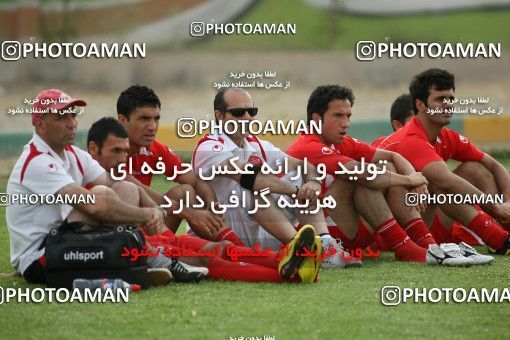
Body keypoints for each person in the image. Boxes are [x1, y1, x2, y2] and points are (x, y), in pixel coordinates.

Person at [87, 117, 322, 283]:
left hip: (152, 240)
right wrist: (184, 213)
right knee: (209, 258)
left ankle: (291, 257)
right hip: (126, 248)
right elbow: (112, 210)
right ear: (93, 150)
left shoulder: (138, 162)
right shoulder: (86, 178)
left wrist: (206, 206)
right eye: (116, 151)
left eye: (125, 152)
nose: (123, 158)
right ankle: (289, 273)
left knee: (219, 246)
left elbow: (163, 203)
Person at [5, 88, 188, 284]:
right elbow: (94, 205)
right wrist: (147, 215)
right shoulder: (36, 162)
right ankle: (143, 258)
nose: (72, 123)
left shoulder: (73, 154)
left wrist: (156, 209)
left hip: (66, 240)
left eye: (73, 115)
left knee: (126, 189)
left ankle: (134, 260)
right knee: (100, 196)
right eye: (61, 117)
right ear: (40, 123)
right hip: (41, 258)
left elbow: (119, 183)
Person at [287, 85, 475, 266]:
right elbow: (364, 174)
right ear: (316, 119)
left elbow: (393, 156)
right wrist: (411, 180)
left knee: (386, 166)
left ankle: (426, 244)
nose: (346, 123)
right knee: (360, 176)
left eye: (348, 116)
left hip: (355, 230)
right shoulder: (307, 145)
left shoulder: (339, 141)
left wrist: (414, 177)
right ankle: (407, 247)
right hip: (324, 235)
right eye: (338, 116)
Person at [192, 87, 355, 269]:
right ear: (219, 116)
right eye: (238, 112)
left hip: (260, 231)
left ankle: (325, 247)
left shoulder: (256, 144)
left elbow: (305, 165)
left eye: (251, 111)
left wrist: (313, 182)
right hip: (224, 232)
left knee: (299, 177)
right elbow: (250, 178)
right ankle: (302, 252)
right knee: (255, 188)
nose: (247, 118)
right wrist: (295, 191)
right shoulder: (209, 146)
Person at [378, 68, 510, 257]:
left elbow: (494, 165)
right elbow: (445, 180)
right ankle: (498, 238)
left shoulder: (447, 137)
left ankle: (501, 230)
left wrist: (507, 201)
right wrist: (496, 207)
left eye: (450, 99)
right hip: (398, 231)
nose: (448, 105)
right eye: (440, 99)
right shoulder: (411, 137)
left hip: (429, 214)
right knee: (439, 183)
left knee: (476, 168)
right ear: (421, 105)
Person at [116, 85, 244, 246]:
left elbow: (196, 180)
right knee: (209, 251)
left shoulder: (154, 148)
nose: (152, 126)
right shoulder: (111, 148)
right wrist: (189, 213)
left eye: (156, 118)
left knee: (185, 191)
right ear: (123, 121)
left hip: (150, 223)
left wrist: (211, 204)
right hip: (120, 232)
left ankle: (239, 248)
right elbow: (136, 188)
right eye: (144, 119)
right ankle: (174, 248)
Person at [372, 94, 487, 248]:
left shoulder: (442, 138)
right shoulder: (383, 145)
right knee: (435, 181)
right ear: (398, 125)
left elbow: (490, 163)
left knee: (476, 169)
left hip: (437, 215)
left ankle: (499, 227)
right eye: (416, 120)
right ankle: (492, 233)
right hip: (402, 226)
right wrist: (414, 178)